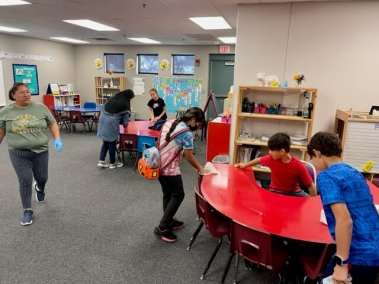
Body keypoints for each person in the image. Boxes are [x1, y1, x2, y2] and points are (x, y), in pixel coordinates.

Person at [307, 132, 379, 284]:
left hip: (359, 253)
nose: (312, 162)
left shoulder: (326, 176)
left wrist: (341, 264)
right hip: (375, 248)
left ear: (317, 153)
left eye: (312, 158)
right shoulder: (355, 172)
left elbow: (345, 220)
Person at [0, 83, 63, 226]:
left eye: (28, 92)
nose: (26, 94)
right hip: (18, 152)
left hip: (40, 150)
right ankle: (27, 210)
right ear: (13, 95)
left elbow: (52, 123)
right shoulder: (5, 112)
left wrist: (57, 138)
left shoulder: (40, 108)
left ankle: (40, 187)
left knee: (42, 177)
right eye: (22, 92)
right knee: (25, 180)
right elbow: (1, 131)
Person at [154, 107, 210, 243]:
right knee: (179, 195)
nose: (197, 129)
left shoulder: (171, 121)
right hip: (169, 168)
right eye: (198, 125)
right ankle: (161, 228)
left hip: (158, 164)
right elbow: (189, 156)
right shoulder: (186, 133)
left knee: (168, 194)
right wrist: (201, 169)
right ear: (192, 120)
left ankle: (168, 220)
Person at [235, 132, 317, 197]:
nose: (269, 152)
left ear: (282, 151)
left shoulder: (298, 165)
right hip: (274, 191)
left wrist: (313, 204)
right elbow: (258, 160)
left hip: (294, 193)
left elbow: (311, 185)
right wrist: (245, 165)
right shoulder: (271, 158)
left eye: (272, 150)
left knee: (307, 200)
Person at [97, 89, 134, 169]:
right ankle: (112, 163)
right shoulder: (125, 105)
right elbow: (125, 124)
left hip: (102, 118)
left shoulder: (114, 98)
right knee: (112, 143)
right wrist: (125, 121)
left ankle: (101, 161)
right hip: (111, 122)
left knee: (106, 141)